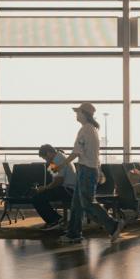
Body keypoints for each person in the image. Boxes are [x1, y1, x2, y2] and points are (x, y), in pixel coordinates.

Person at [55, 102, 124, 244]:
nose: (76, 114)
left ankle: (113, 225)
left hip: (85, 171)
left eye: (78, 112)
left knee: (87, 203)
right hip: (89, 170)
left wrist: (60, 165)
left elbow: (76, 153)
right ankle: (73, 234)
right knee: (77, 205)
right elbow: (95, 155)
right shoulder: (92, 130)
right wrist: (99, 171)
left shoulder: (85, 130)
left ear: (84, 114)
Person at [34, 144, 76, 231]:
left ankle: (54, 220)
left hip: (68, 190)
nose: (45, 160)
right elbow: (55, 178)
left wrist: (45, 188)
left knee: (37, 198)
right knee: (39, 195)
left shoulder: (58, 160)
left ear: (49, 153)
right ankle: (54, 219)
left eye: (44, 158)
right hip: (66, 188)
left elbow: (59, 181)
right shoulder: (55, 159)